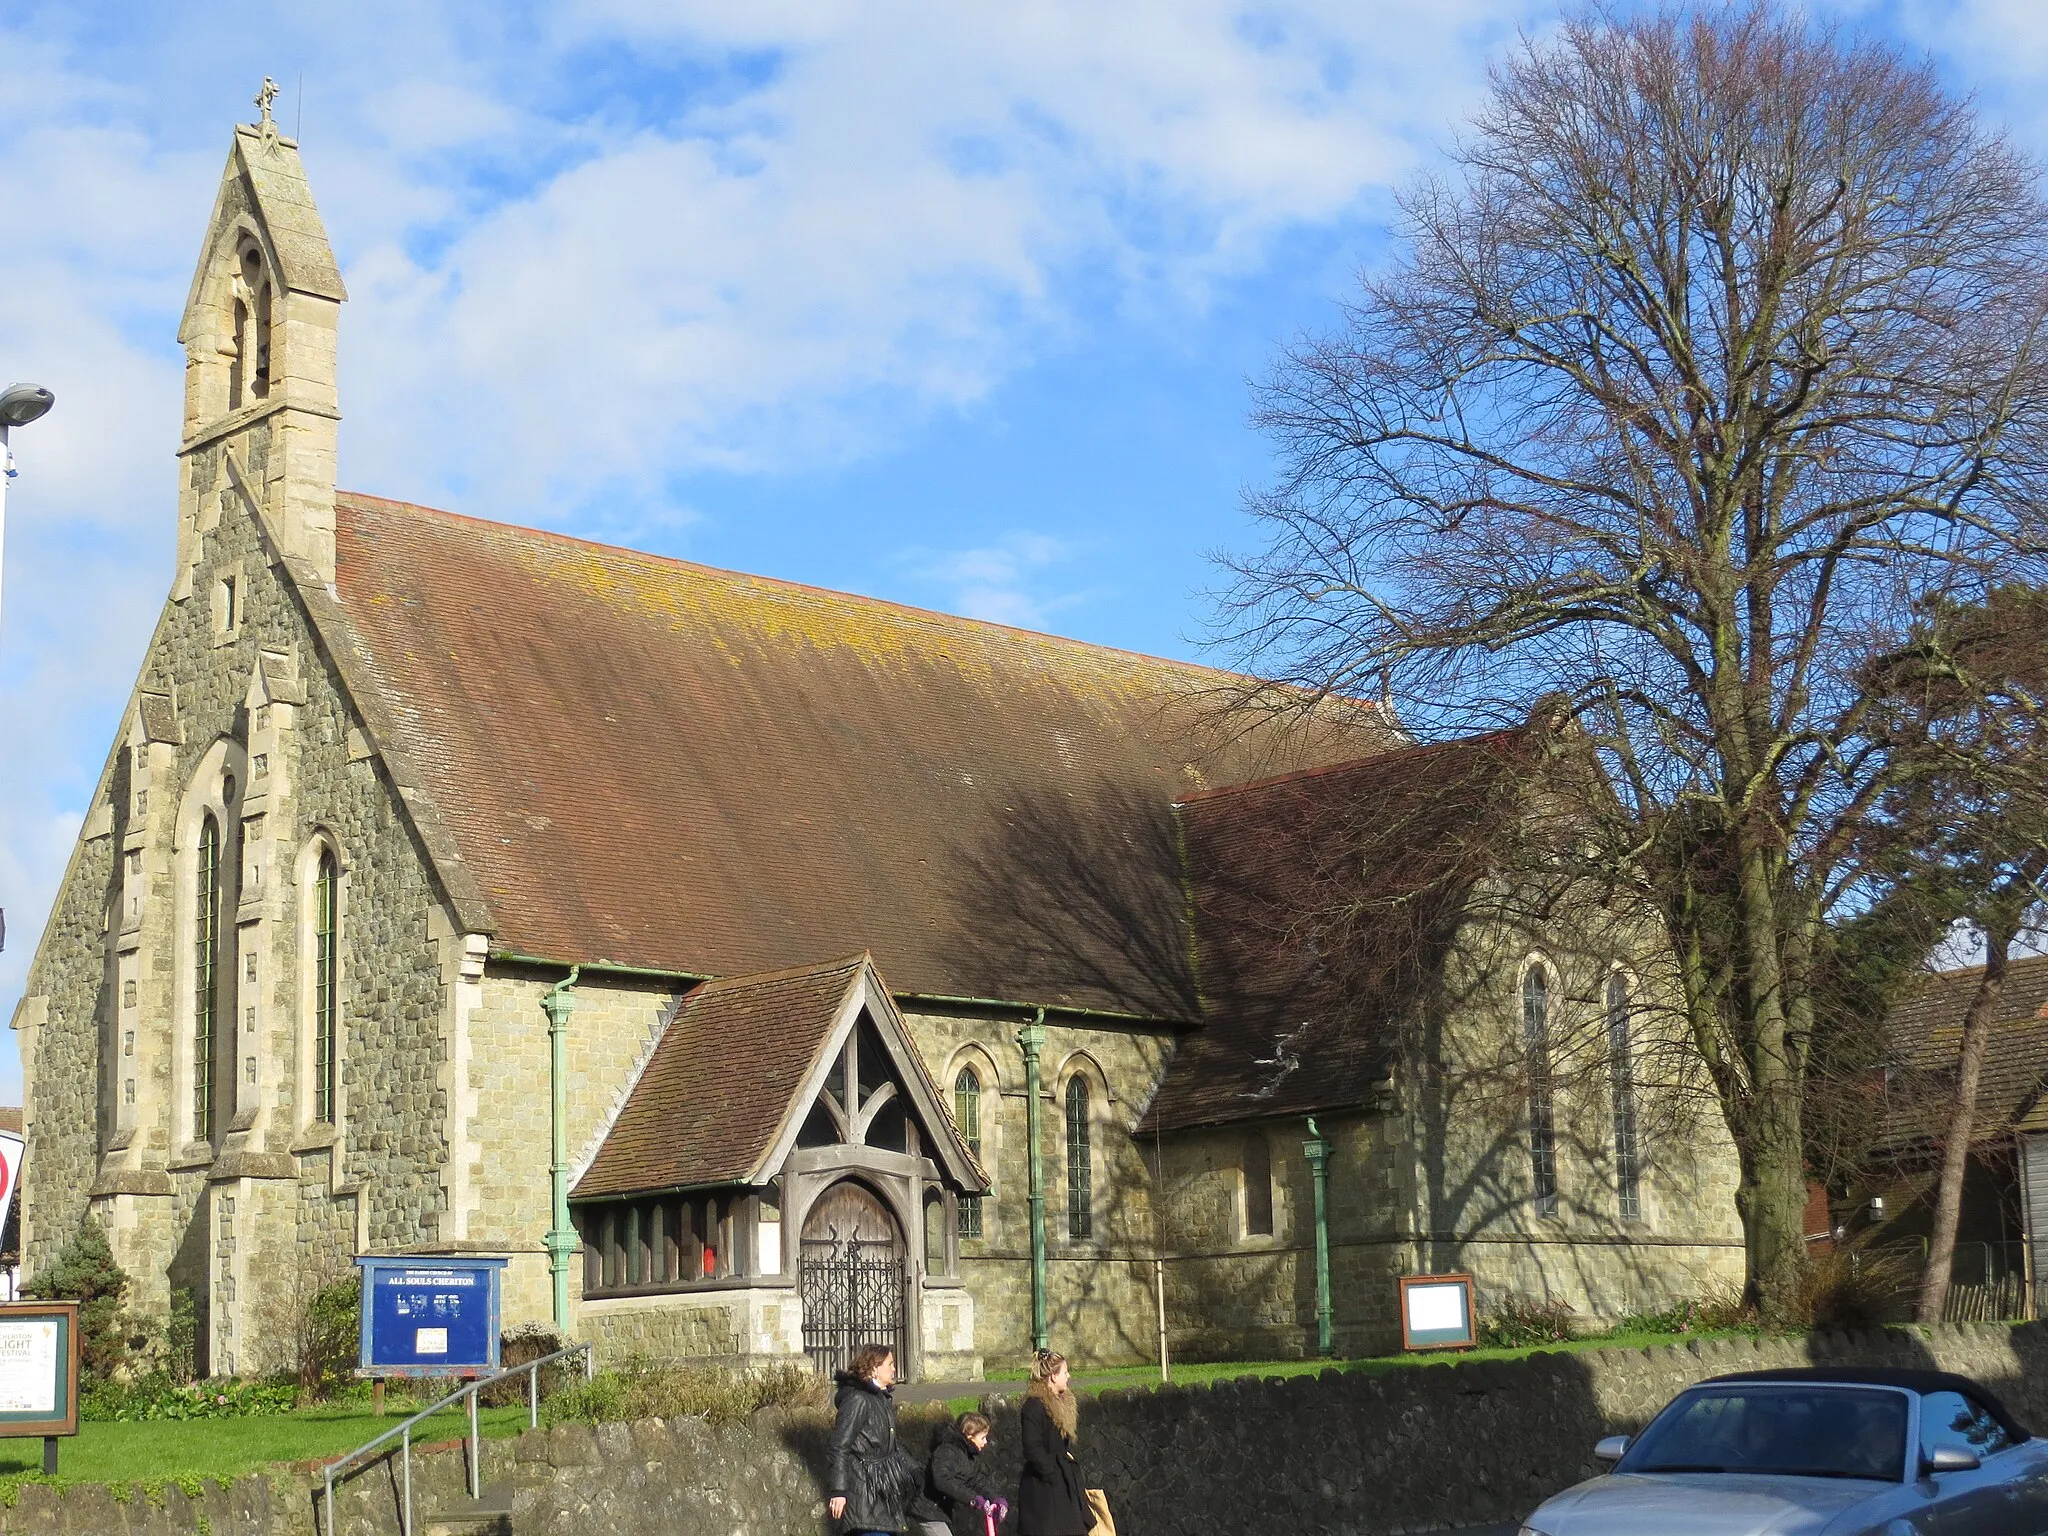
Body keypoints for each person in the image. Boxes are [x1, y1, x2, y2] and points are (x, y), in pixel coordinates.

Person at [828, 1343, 918, 1535]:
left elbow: (891, 1447)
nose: (894, 1369)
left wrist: (916, 1471)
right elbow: (839, 1446)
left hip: (883, 1491)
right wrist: (839, 1491)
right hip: (864, 1492)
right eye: (890, 1364)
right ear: (874, 1368)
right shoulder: (858, 1400)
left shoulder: (881, 1399)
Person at [1017, 1348, 1094, 1536]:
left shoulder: (1063, 1403)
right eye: (1065, 1372)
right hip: (1043, 1489)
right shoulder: (1034, 1406)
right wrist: (1051, 1472)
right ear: (1052, 1376)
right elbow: (1032, 1448)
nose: (1069, 1376)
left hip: (1063, 1482)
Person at [910, 1411, 1007, 1536]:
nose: (986, 1442)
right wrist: (973, 1499)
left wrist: (996, 1498)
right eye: (982, 1437)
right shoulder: (946, 1451)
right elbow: (942, 1480)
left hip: (940, 1510)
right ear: (969, 1436)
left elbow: (975, 1480)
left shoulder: (967, 1455)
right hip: (927, 1508)